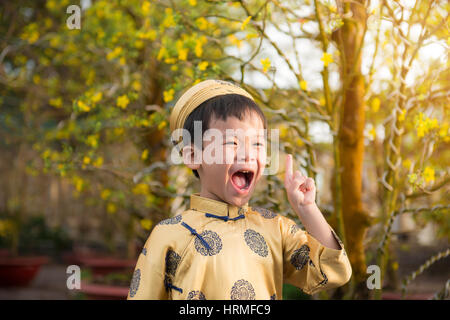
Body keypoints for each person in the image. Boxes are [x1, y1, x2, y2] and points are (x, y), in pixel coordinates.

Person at [127, 79, 351, 300]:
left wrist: (307, 209)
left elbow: (333, 271)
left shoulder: (277, 230)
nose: (248, 154)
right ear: (193, 155)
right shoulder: (169, 235)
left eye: (257, 144)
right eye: (232, 143)